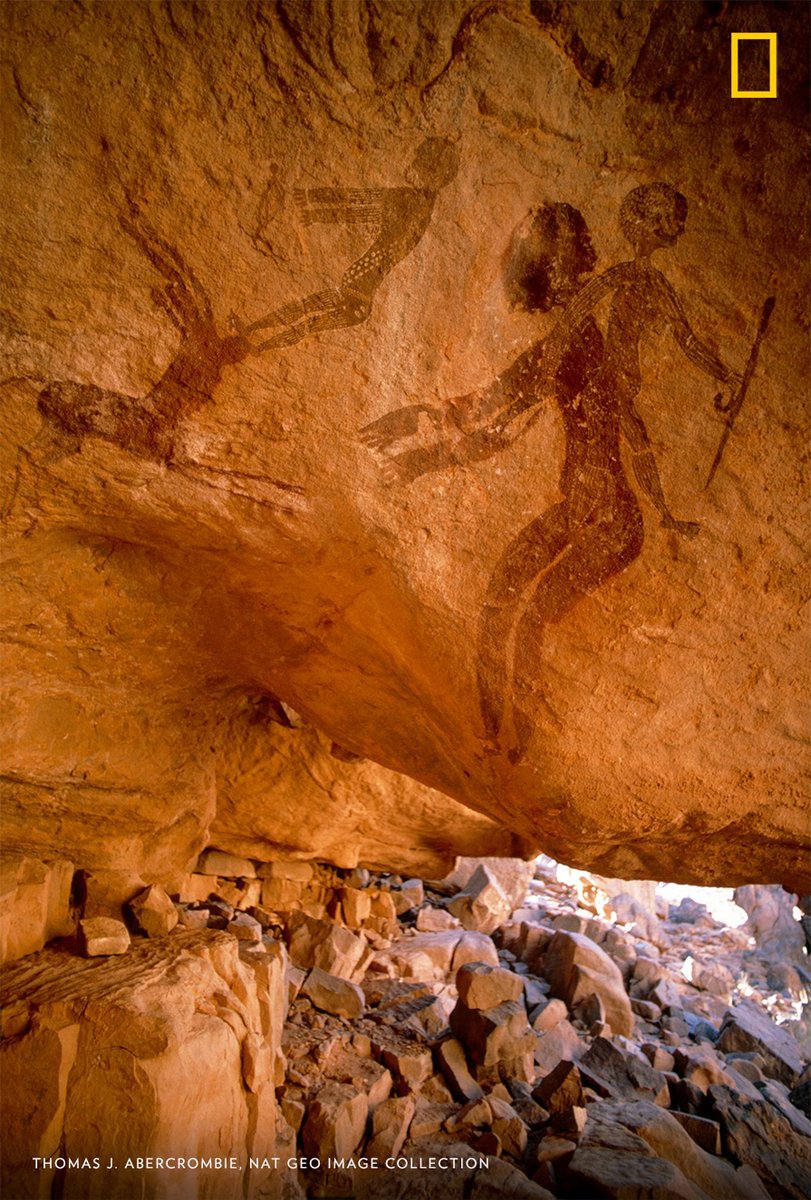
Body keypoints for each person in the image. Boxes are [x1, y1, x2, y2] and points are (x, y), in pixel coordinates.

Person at [362, 184, 742, 762]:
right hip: (590, 510)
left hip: (608, 517)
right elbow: (491, 415)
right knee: (501, 603)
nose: (559, 272)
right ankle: (499, 740)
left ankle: (517, 743)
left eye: (558, 257)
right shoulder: (571, 340)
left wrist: (419, 454)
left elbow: (498, 422)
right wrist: (418, 437)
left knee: (527, 612)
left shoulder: (580, 340)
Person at [37, 202, 251, 462]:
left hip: (150, 419)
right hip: (150, 416)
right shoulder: (207, 353)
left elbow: (182, 283)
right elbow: (182, 280)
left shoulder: (207, 358)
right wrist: (143, 234)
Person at [234, 137, 460, 350]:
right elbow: (358, 208)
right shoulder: (424, 207)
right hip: (358, 297)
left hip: (355, 294)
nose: (412, 161)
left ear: (429, 169)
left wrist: (313, 202)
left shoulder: (409, 200)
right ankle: (254, 338)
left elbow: (356, 204)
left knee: (305, 315)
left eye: (418, 158)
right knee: (305, 317)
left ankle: (256, 343)